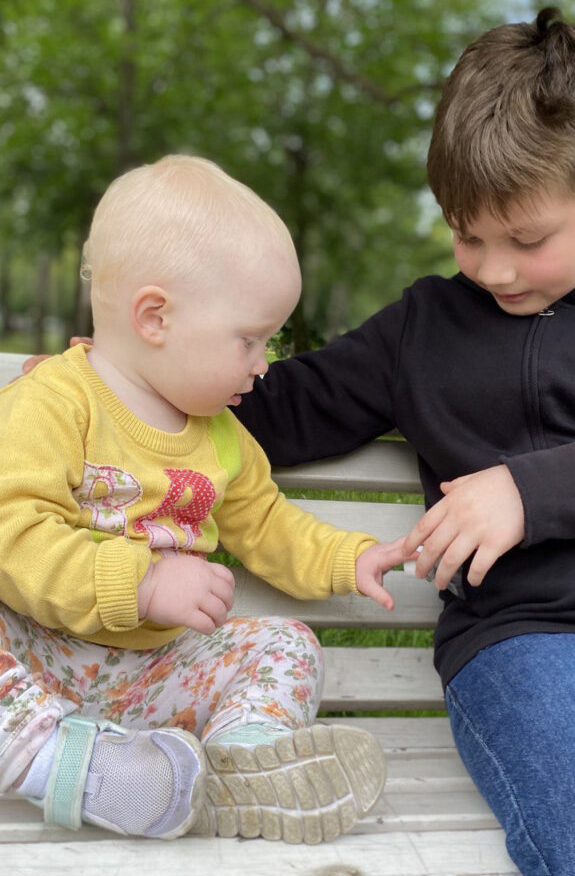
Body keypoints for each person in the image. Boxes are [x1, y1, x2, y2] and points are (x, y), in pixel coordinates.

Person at [229, 10, 575, 875]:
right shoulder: (424, 330)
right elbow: (278, 409)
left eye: (527, 239)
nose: (495, 269)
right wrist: (132, 379)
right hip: (543, 647)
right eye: (467, 235)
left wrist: (533, 490)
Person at [0, 154, 406, 843]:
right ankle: (64, 765)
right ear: (155, 317)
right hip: (36, 656)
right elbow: (15, 533)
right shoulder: (55, 402)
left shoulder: (223, 441)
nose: (264, 362)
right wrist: (145, 580)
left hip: (157, 676)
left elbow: (271, 526)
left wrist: (350, 558)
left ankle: (237, 767)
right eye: (249, 339)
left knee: (286, 646)